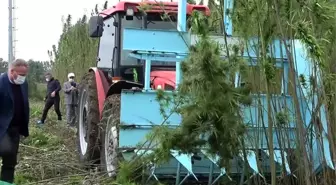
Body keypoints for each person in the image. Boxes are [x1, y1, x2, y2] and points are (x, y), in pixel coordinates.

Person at [0, 59, 30, 183]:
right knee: (5, 154)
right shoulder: (1, 83)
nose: (23, 77)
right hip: (2, 129)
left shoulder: (24, 83)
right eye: (21, 75)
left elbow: (24, 103)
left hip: (15, 130)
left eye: (25, 75)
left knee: (10, 162)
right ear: (12, 71)